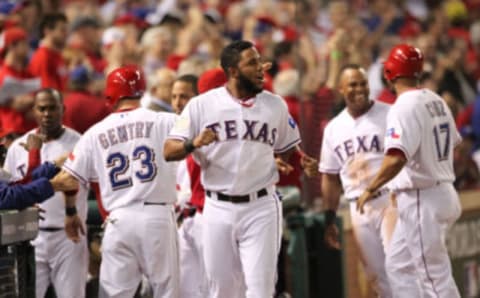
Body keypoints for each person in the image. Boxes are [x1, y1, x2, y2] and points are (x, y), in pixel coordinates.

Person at [164, 40, 318, 298]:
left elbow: (287, 145)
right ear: (233, 70)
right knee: (221, 290)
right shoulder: (202, 105)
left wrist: (287, 159)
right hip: (217, 207)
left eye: (260, 61)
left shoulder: (275, 105)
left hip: (260, 206)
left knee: (260, 290)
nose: (261, 68)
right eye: (252, 63)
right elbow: (169, 150)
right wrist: (194, 142)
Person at [56, 65, 179, 297]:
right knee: (166, 292)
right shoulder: (166, 120)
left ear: (110, 95)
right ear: (142, 90)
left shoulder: (95, 132)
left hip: (118, 220)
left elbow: (68, 179)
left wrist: (71, 212)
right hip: (157, 217)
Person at [357, 44, 462, 298]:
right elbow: (454, 146)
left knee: (434, 279)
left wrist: (371, 188)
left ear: (391, 72)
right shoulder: (435, 99)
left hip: (422, 198)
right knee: (398, 266)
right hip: (440, 192)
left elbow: (396, 158)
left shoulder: (403, 106)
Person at [319, 64, 398, 297]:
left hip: (390, 200)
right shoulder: (333, 128)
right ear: (341, 89)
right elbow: (330, 178)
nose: (360, 89)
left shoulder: (389, 113)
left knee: (400, 268)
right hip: (358, 207)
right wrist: (329, 218)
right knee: (377, 277)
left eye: (363, 83)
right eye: (353, 84)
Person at [3, 88, 89, 298]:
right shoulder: (18, 147)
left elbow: (78, 183)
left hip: (68, 237)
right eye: (42, 109)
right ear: (34, 111)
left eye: (52, 108)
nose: (47, 114)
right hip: (30, 236)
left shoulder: (79, 142)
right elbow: (15, 187)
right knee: (25, 294)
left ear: (63, 109)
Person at [29, 13, 69, 91]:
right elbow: (48, 93)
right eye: (62, 30)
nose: (66, 34)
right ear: (47, 31)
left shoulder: (57, 55)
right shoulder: (43, 57)